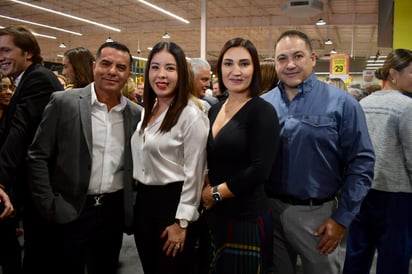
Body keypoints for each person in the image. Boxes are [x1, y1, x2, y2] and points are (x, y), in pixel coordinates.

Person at [261, 30, 375, 274]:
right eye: (282, 58)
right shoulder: (263, 105)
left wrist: (342, 218)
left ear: (312, 58)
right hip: (271, 211)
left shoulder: (342, 103)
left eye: (298, 56)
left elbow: (362, 164)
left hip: (320, 216)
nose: (290, 64)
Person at [27, 41, 142, 274]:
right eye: (106, 64)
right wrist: (48, 204)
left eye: (121, 67)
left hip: (112, 212)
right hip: (70, 209)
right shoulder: (64, 103)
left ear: (128, 73)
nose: (112, 71)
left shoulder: (135, 113)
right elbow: (37, 155)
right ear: (93, 66)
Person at [201, 37, 280, 273]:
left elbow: (260, 169)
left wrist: (215, 194)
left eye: (244, 64)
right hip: (216, 215)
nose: (236, 71)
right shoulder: (215, 108)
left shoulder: (262, 111)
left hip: (245, 216)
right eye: (228, 64)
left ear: (254, 69)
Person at [131, 41, 209, 274]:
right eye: (155, 67)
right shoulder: (149, 109)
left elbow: (195, 174)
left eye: (170, 68)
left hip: (173, 207)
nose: (161, 75)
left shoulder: (191, 115)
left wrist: (182, 223)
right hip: (144, 203)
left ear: (182, 74)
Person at [0, 25, 64, 274]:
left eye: (7, 50)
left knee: (40, 255)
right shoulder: (28, 78)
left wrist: (1, 182)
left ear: (28, 53)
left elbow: (20, 133)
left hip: (43, 187)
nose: (1, 57)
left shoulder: (37, 79)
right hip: (35, 187)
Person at [343, 49, 412, 274]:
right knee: (393, 259)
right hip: (397, 194)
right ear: (393, 73)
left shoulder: (363, 103)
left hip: (362, 190)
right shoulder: (407, 107)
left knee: (356, 255)